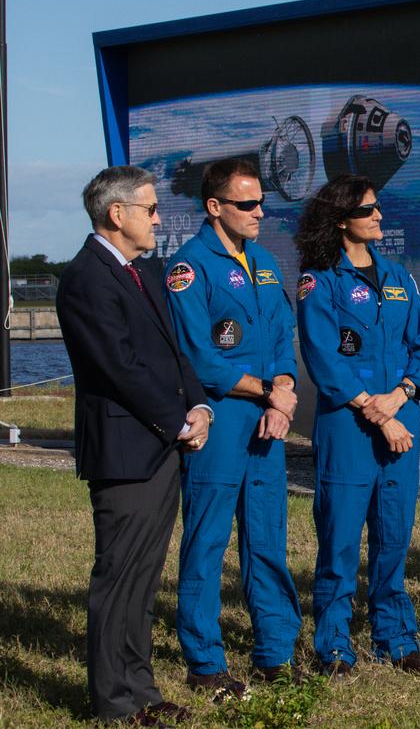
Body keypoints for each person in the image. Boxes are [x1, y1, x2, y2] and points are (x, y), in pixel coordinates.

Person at [56, 166, 210, 725]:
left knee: (143, 578)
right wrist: (177, 421)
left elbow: (174, 352)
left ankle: (140, 690)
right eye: (149, 209)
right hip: (126, 449)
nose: (157, 218)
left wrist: (198, 406)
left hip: (159, 443)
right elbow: (119, 366)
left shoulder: (144, 269)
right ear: (116, 214)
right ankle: (113, 703)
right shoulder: (87, 277)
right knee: (119, 577)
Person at [164, 159, 303, 697]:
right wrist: (267, 391)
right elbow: (200, 359)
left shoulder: (265, 262)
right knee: (207, 541)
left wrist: (284, 393)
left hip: (269, 418)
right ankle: (204, 662)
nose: (259, 212)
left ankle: (275, 652)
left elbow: (281, 335)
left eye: (261, 202)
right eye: (246, 204)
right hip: (222, 419)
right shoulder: (188, 267)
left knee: (267, 537)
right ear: (215, 207)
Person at [295, 174, 420, 677]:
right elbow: (323, 356)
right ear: (341, 221)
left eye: (379, 208)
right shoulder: (321, 280)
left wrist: (398, 398)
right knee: (339, 539)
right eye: (369, 211)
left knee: (393, 535)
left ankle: (396, 636)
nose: (380, 217)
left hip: (400, 419)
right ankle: (333, 643)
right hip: (349, 429)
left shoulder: (399, 276)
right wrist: (374, 411)